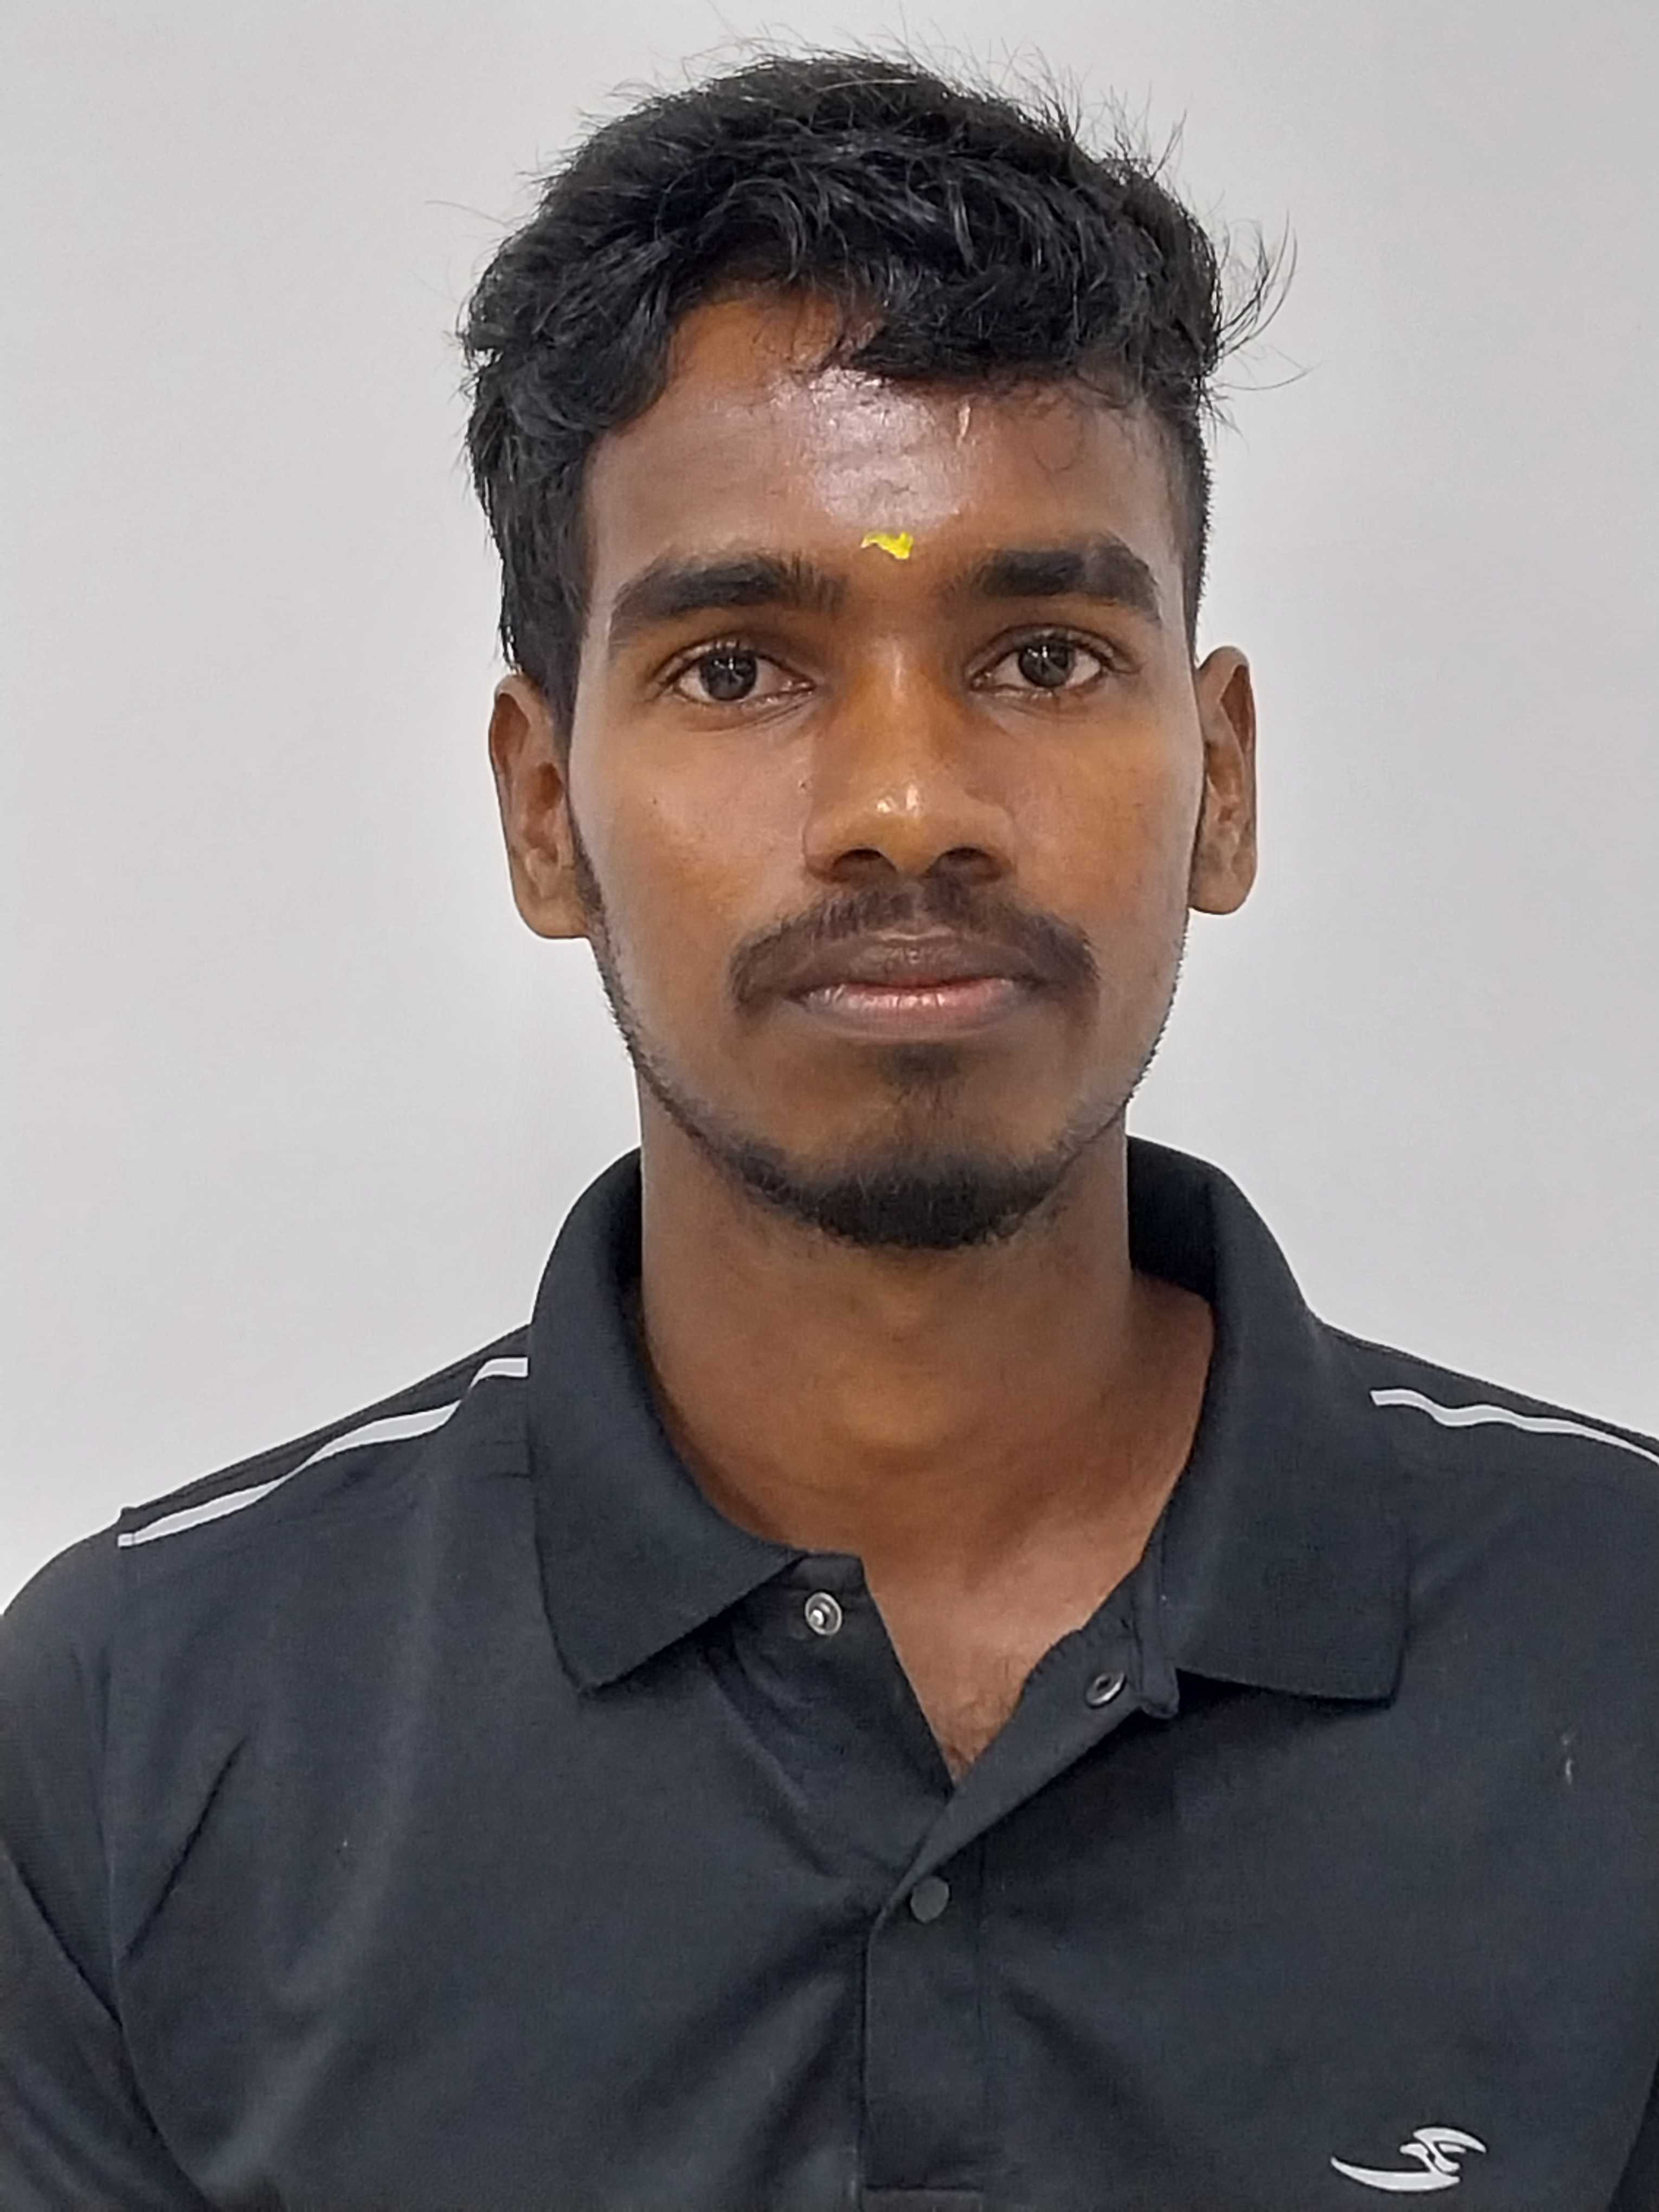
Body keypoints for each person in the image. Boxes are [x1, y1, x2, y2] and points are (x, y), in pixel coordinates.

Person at [3, 48, 1656, 2212]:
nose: (906, 806)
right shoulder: (135, 1735)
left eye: (1044, 657)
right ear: (542, 810)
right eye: (738, 667)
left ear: (1223, 781)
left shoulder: (1621, 1650)